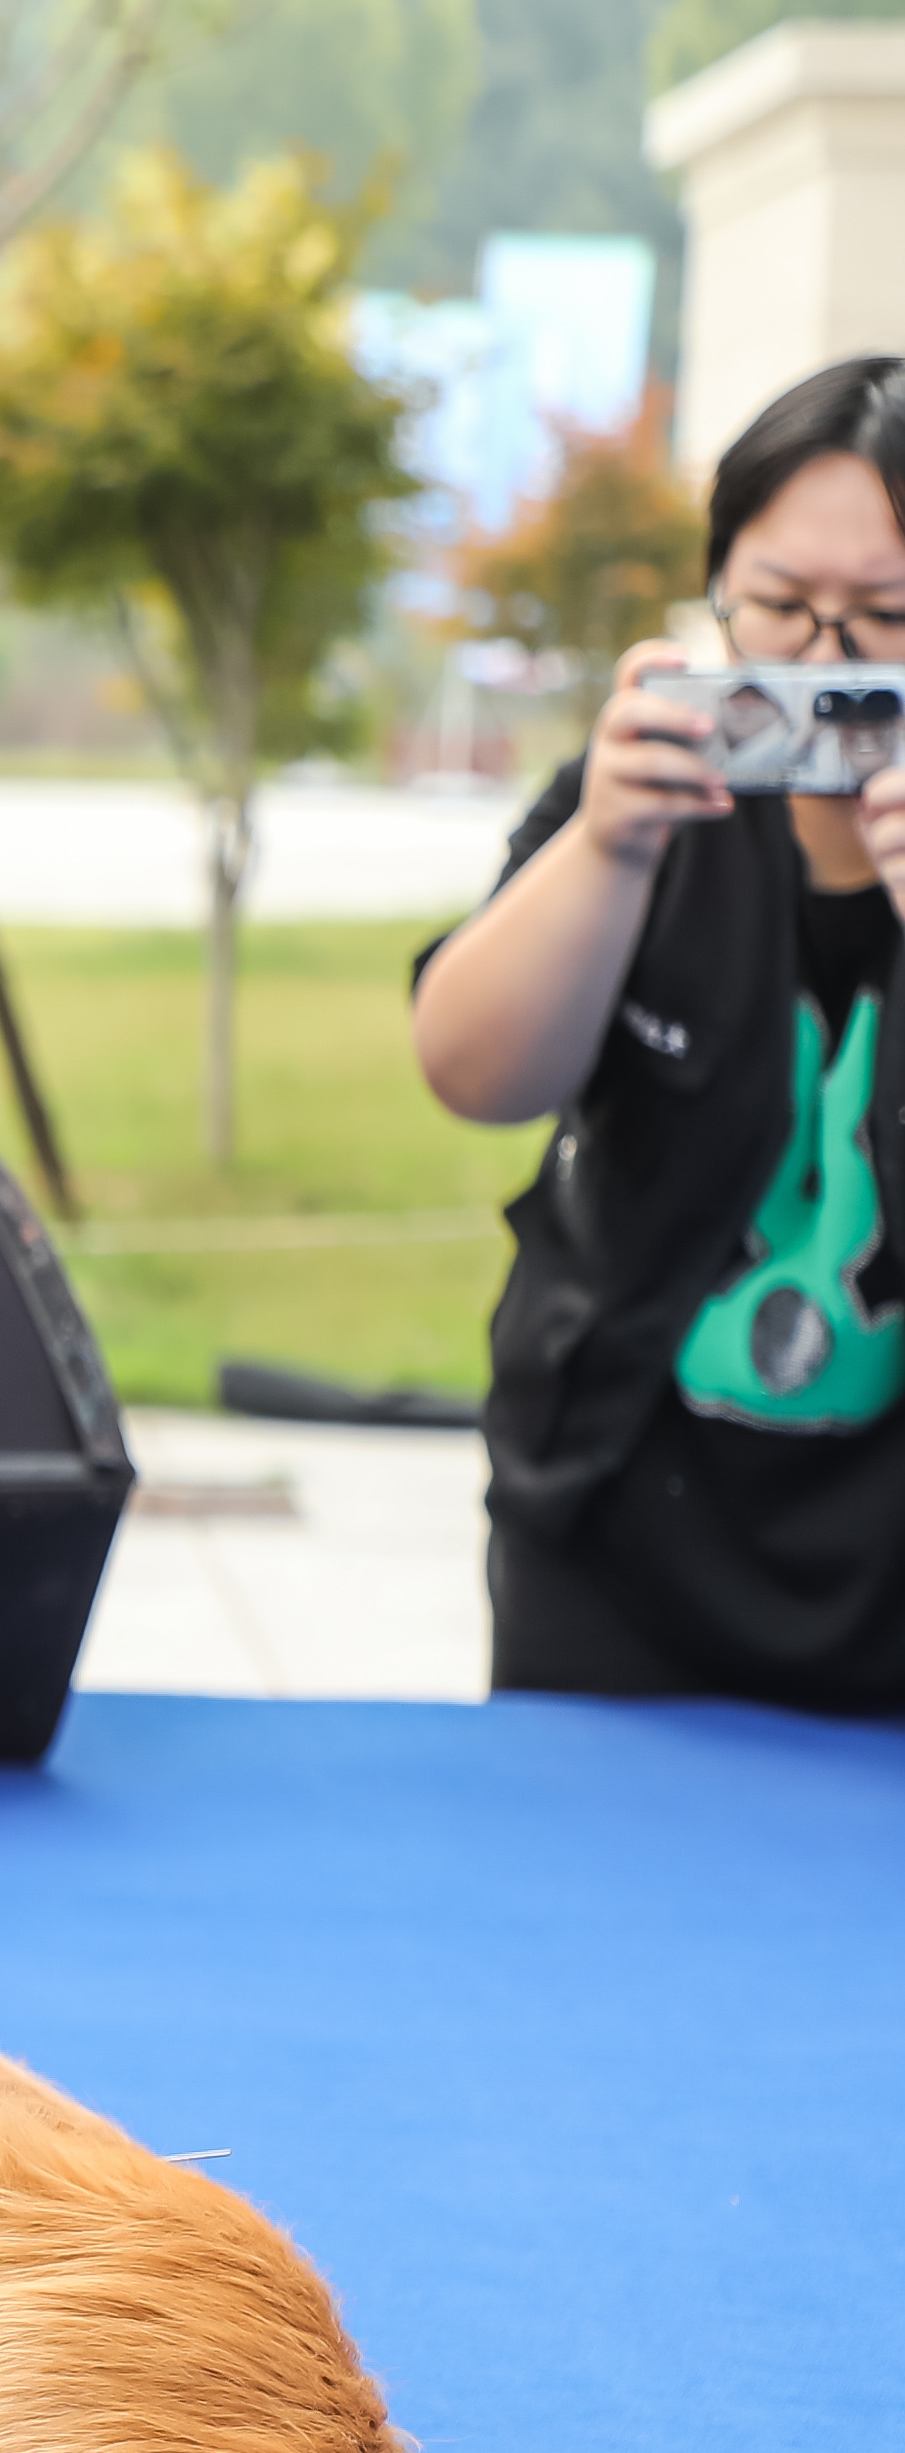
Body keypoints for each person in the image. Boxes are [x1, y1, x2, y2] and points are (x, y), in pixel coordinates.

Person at [411, 356, 905, 1709]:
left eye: (885, 616)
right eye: (781, 608)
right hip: (618, 1536)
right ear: (718, 594)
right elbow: (472, 1070)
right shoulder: (646, 790)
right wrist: (607, 848)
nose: (826, 662)